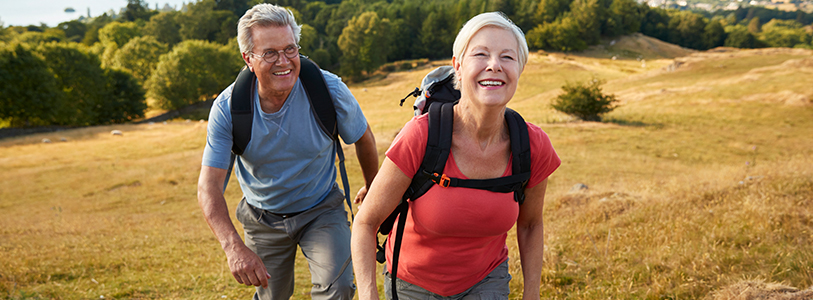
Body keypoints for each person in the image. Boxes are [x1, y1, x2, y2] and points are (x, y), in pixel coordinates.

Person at [351, 12, 560, 300]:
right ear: (458, 67)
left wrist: (532, 294)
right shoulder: (421, 136)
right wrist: (368, 294)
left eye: (508, 57)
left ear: (520, 70)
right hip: (413, 283)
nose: (494, 65)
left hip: (487, 279)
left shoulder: (533, 146)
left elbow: (531, 224)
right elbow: (365, 222)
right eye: (481, 54)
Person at [197, 3, 379, 299]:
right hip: (261, 217)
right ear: (248, 59)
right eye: (270, 53)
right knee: (272, 296)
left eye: (290, 49)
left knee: (340, 286)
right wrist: (233, 246)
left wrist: (374, 190)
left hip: (322, 208)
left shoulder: (328, 90)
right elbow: (208, 186)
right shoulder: (229, 108)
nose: (284, 61)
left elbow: (364, 137)